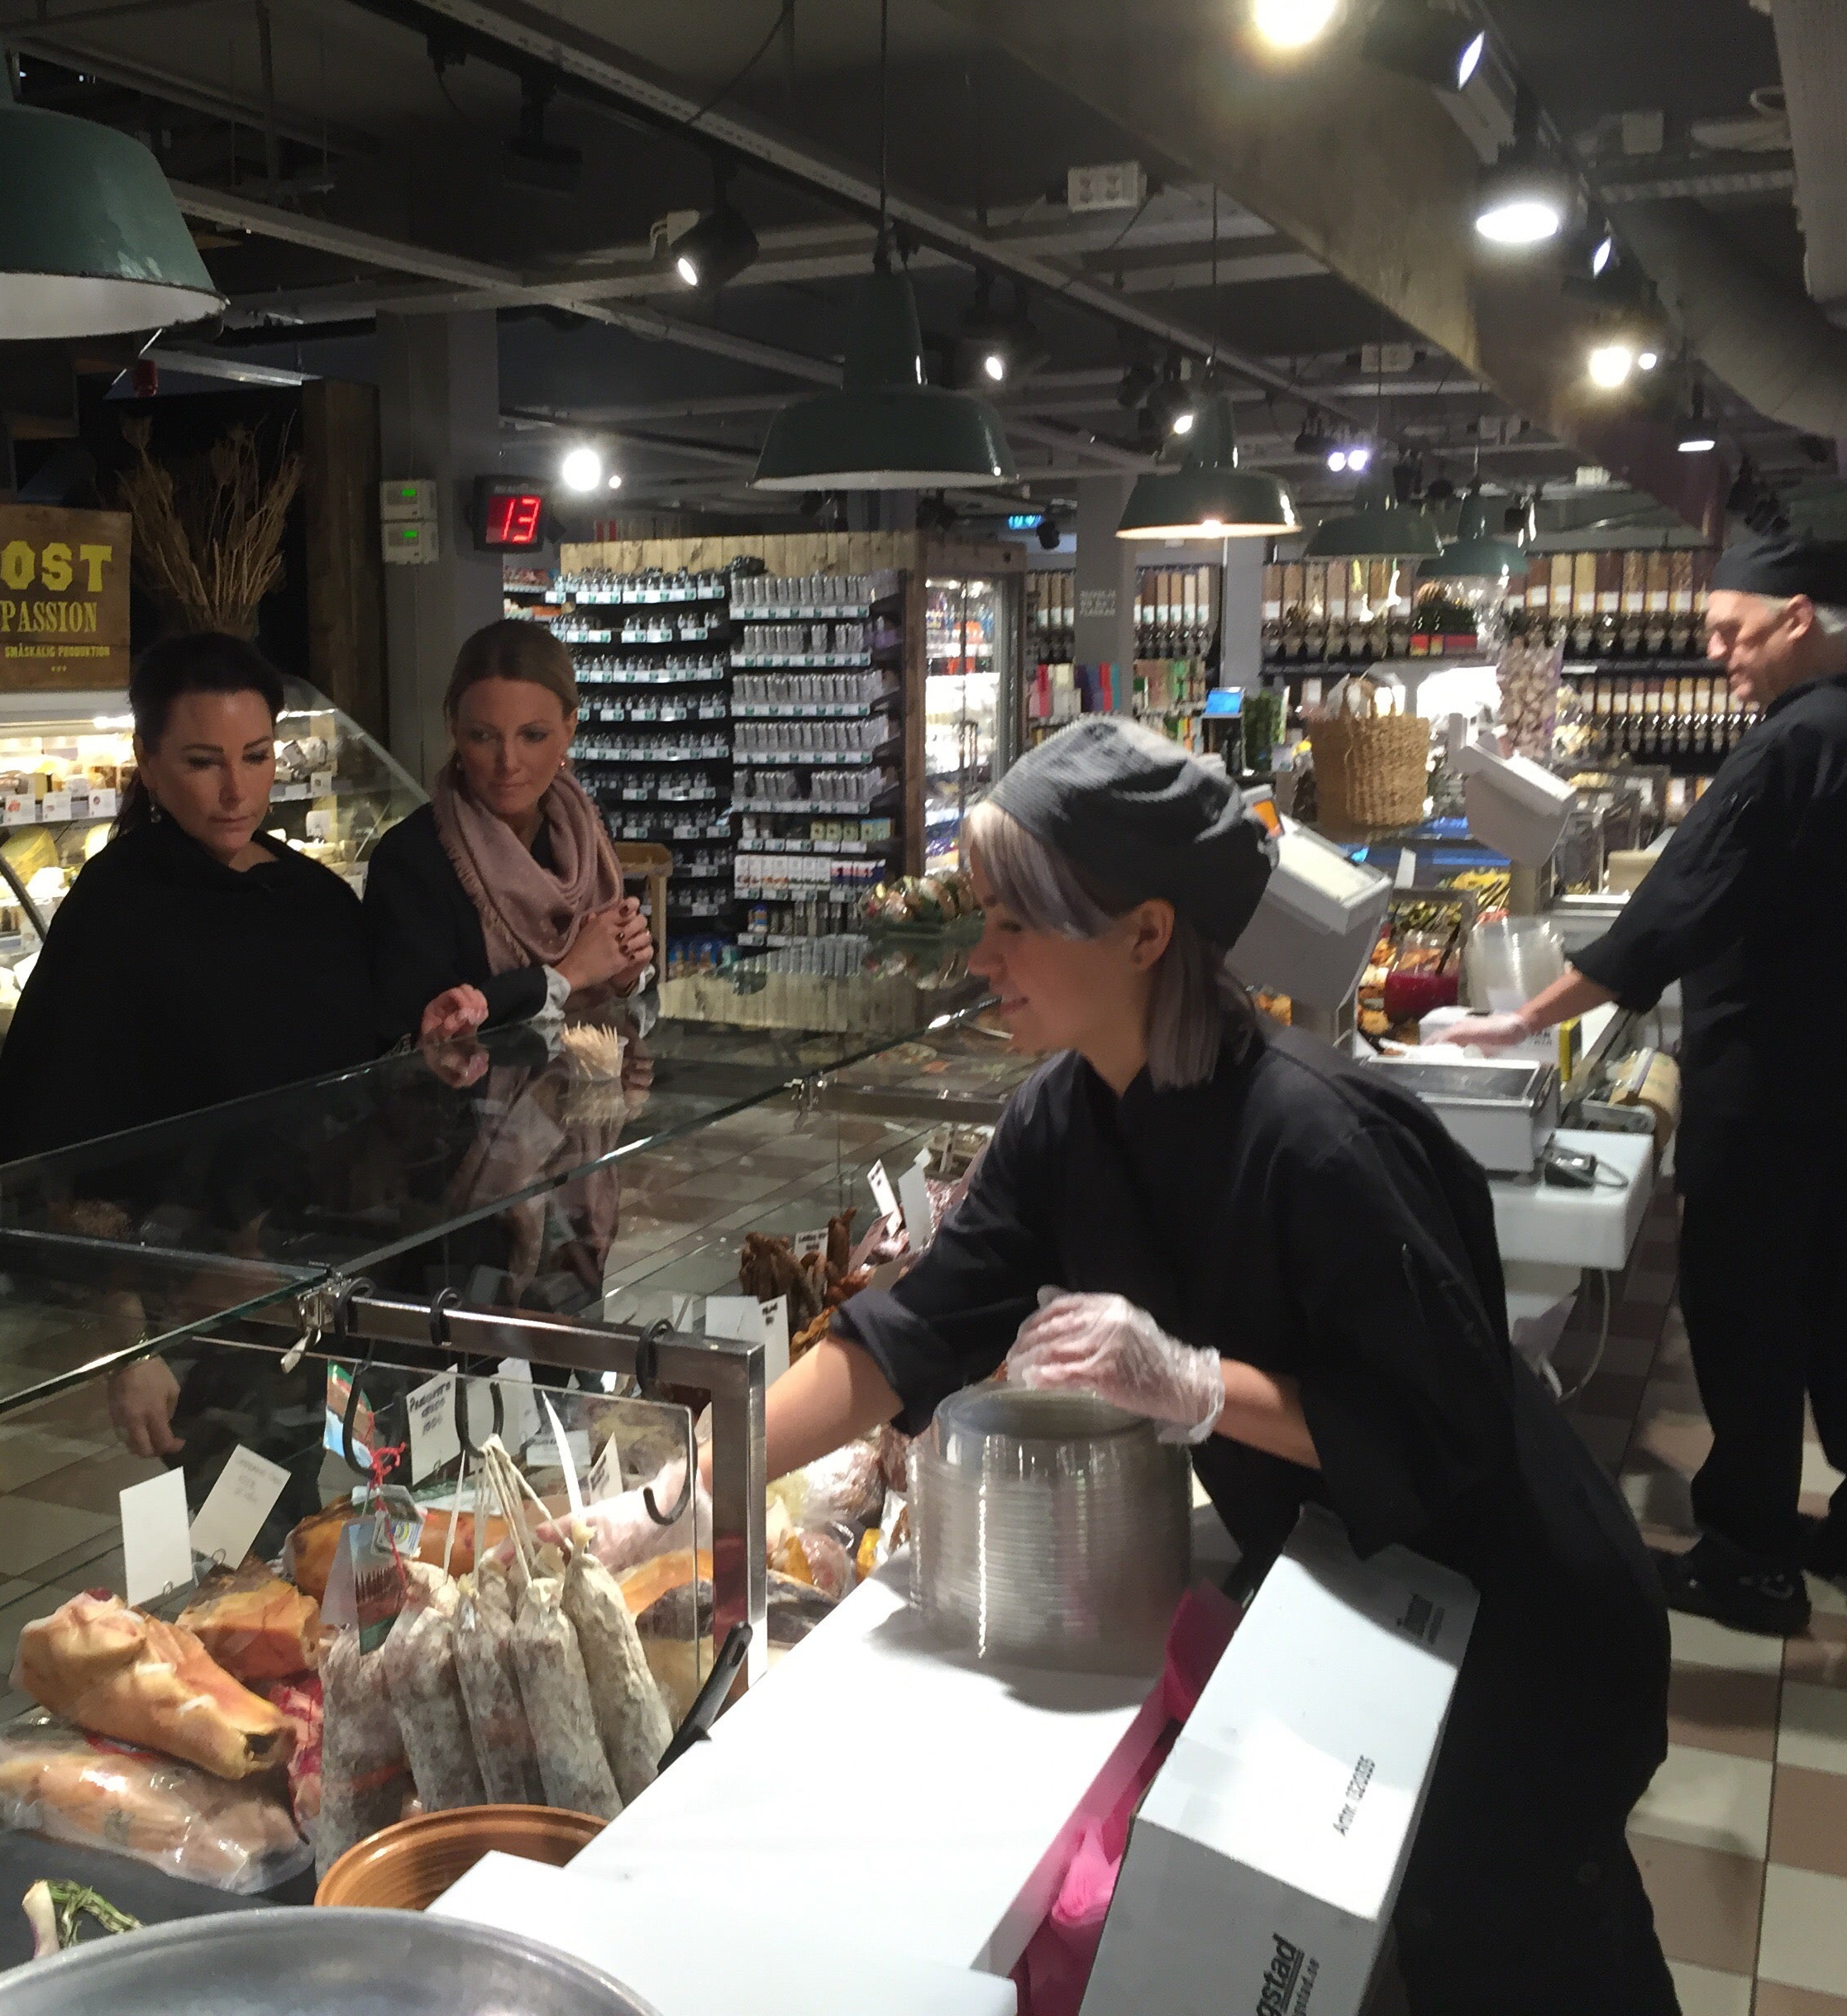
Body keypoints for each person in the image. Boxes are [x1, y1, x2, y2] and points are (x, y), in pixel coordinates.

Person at [599, 720, 1675, 2014]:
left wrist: (1198, 1385)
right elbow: (909, 1337)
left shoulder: (1315, 1137)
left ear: (1146, 934)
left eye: (1014, 924)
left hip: (1522, 1629)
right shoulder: (1065, 1116)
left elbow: (1438, 1431)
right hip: (1369, 1603)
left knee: (1541, 1962)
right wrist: (679, 1489)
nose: (982, 958)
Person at [1441, 530, 1847, 1636]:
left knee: (1745, 1313)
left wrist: (1522, 1019)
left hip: (1765, 1085)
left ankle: (1750, 1557)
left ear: (1798, 619)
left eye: (1732, 632)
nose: (1715, 652)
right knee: (1846, 1298)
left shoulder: (1789, 747)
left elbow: (1672, 913)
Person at [0, 633, 397, 1169]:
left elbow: (366, 1072)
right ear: (147, 763)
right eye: (203, 763)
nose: (237, 791)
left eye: (257, 756)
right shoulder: (115, 907)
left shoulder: (315, 895)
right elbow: (47, 1125)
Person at [364, 619, 655, 1040]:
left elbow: (621, 985)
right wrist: (569, 974)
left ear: (569, 729)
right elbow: (418, 1030)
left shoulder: (587, 828)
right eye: (483, 736)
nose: (508, 763)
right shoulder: (411, 859)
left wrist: (625, 972)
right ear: (454, 730)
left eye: (533, 735)